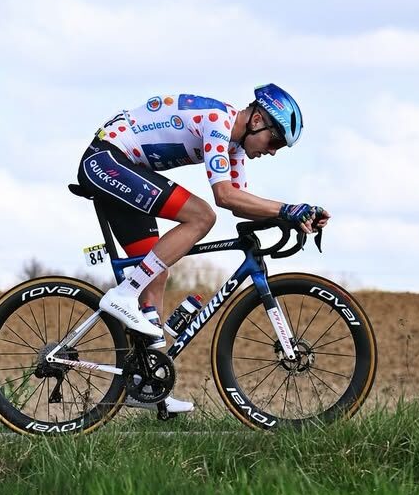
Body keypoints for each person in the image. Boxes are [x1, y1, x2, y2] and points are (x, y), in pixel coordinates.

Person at [75, 84, 328, 413]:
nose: (274, 151)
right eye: (275, 140)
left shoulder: (233, 147)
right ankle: (123, 295)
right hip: (107, 159)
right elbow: (223, 197)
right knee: (200, 216)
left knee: (156, 269)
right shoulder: (218, 122)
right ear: (256, 121)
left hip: (127, 168)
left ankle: (147, 384)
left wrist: (292, 215)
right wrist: (284, 209)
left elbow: (240, 204)